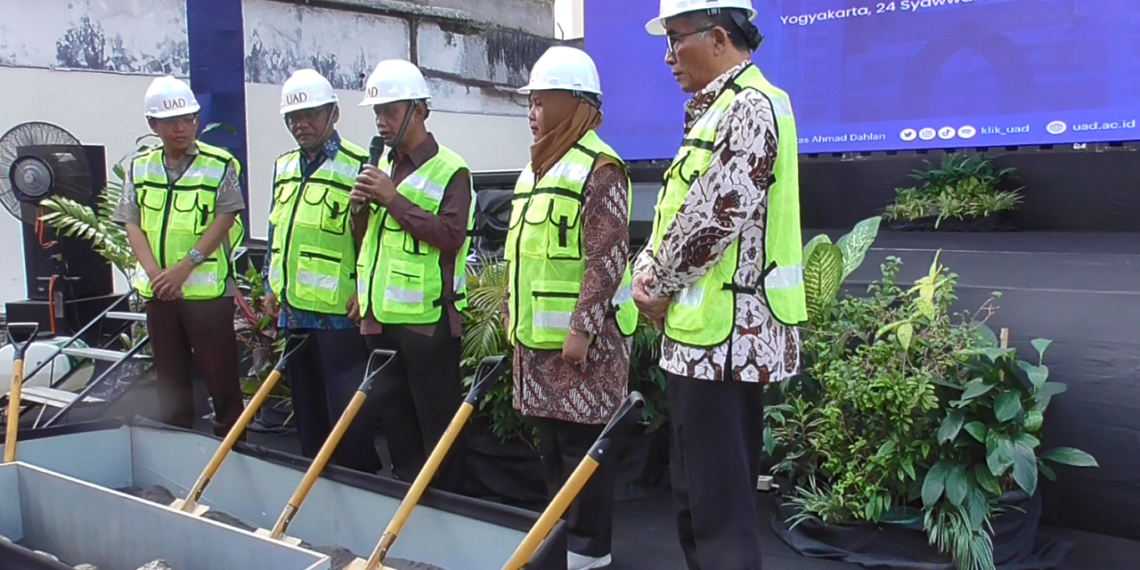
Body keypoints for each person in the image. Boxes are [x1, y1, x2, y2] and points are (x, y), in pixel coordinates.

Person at [633, 2, 808, 569]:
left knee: (720, 513)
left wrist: (655, 284)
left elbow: (716, 214)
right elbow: (677, 214)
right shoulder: (713, 112)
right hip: (697, 342)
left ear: (715, 38)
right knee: (695, 506)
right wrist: (647, 271)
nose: (667, 57)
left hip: (729, 347)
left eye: (675, 40)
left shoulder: (752, 107)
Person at [503, 46, 640, 570]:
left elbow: (607, 258)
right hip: (538, 349)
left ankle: (590, 555)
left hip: (586, 351)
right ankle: (561, 549)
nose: (533, 114)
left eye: (542, 102)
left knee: (586, 458)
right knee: (554, 456)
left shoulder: (599, 170)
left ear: (575, 105)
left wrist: (581, 329)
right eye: (530, 104)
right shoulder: (534, 172)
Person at [350, 59, 475, 492]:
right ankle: (406, 503)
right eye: (376, 113)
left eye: (391, 111)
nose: (381, 122)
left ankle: (450, 507)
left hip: (428, 323)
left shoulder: (451, 169)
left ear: (420, 110)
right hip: (381, 319)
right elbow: (370, 242)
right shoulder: (383, 164)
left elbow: (451, 237)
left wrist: (392, 198)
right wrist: (361, 208)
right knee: (398, 425)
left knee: (438, 427)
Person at [113, 75, 247, 437]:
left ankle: (235, 449)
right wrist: (158, 275)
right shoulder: (139, 167)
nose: (181, 128)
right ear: (152, 125)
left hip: (205, 294)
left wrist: (184, 268)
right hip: (160, 294)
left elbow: (226, 217)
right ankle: (178, 448)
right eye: (171, 122)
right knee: (170, 382)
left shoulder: (220, 164)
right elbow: (131, 222)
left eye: (188, 119)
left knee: (222, 381)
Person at [261, 69, 381, 473]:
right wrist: (270, 285)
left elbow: (373, 239)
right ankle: (316, 482)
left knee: (347, 415)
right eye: (293, 118)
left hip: (338, 315)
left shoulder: (357, 166)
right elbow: (277, 230)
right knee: (307, 415)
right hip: (293, 311)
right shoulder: (283, 167)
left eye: (311, 114)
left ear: (334, 114)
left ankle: (359, 481)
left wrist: (364, 291)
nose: (302, 124)